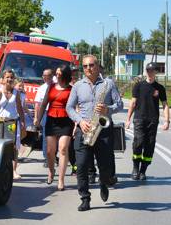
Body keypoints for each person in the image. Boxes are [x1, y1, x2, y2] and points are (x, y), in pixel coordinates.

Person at [66, 55, 122, 211]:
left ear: (97, 66)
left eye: (91, 65)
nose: (88, 68)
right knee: (81, 166)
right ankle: (85, 198)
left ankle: (104, 182)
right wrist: (80, 121)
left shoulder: (108, 83)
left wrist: (107, 109)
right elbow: (69, 108)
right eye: (85, 66)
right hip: (84, 129)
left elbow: (119, 104)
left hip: (103, 130)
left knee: (106, 167)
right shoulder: (78, 86)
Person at [125, 62, 170, 181]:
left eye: (152, 70)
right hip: (139, 119)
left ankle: (143, 171)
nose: (150, 72)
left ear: (156, 72)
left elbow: (165, 105)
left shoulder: (160, 88)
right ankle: (135, 168)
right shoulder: (138, 86)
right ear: (146, 71)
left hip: (153, 120)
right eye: (148, 70)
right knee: (138, 142)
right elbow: (133, 103)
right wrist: (128, 119)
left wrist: (167, 121)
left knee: (150, 146)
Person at [36, 65, 73, 190]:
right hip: (51, 120)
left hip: (66, 121)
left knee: (63, 149)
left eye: (59, 73)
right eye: (56, 73)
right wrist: (38, 119)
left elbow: (75, 107)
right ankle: (51, 171)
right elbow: (44, 104)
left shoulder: (71, 89)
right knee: (50, 151)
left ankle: (61, 180)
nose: (57, 75)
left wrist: (77, 122)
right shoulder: (51, 86)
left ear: (65, 75)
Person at [0, 69, 28, 180]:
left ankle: (13, 170)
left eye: (11, 77)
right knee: (0, 145)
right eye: (7, 77)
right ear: (3, 79)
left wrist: (23, 122)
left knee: (14, 147)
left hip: (13, 122)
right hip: (1, 123)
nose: (9, 79)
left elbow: (20, 108)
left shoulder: (16, 92)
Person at [33, 68, 55, 162]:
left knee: (55, 136)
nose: (45, 77)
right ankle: (47, 158)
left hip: (56, 112)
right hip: (45, 113)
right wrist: (36, 117)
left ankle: (53, 155)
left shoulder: (57, 86)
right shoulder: (41, 88)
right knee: (46, 135)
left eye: (47, 76)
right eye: (44, 76)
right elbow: (37, 104)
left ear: (52, 76)